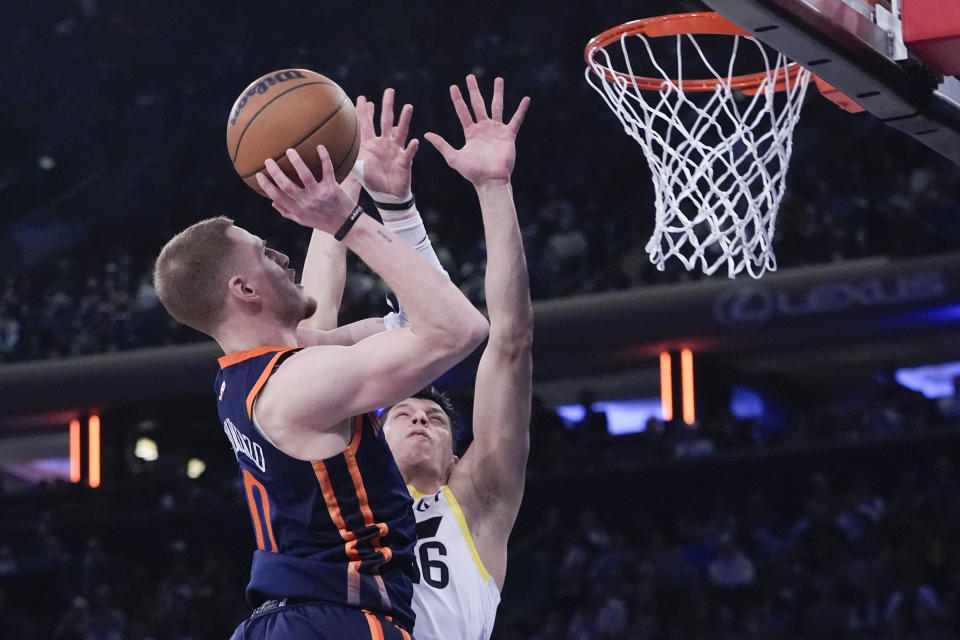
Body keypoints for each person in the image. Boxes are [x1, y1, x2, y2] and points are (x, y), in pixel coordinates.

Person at [153, 138, 489, 639]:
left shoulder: (254, 374)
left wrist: (350, 179)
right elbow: (460, 329)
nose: (283, 255)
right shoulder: (299, 385)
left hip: (296, 620)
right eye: (265, 253)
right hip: (335, 619)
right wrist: (347, 220)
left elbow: (401, 320)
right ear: (244, 290)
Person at [304, 74, 532, 640]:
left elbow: (510, 342)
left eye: (433, 417)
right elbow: (311, 339)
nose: (422, 418)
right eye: (403, 413)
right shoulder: (348, 500)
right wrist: (344, 201)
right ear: (374, 443)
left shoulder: (479, 500)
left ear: (459, 455)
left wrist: (494, 186)